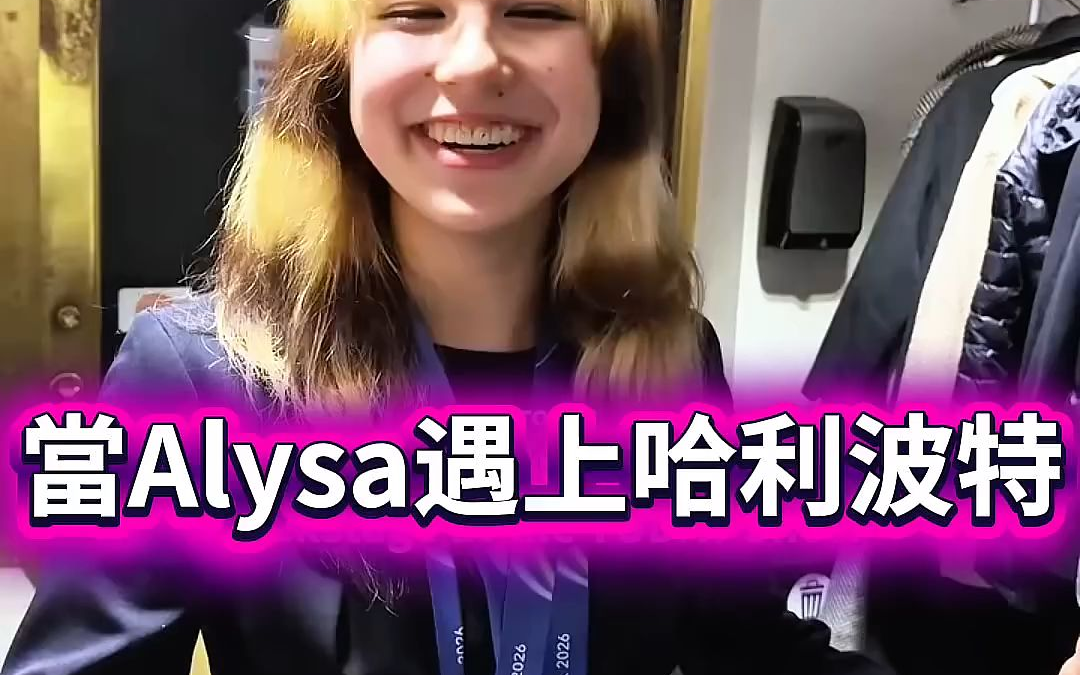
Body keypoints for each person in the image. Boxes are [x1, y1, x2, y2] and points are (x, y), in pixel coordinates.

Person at [1, 1, 891, 673]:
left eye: (536, 10)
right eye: (416, 11)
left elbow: (739, 638)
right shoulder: (201, 376)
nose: (472, 62)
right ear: (337, 61)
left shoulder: (669, 357)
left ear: (610, 72)